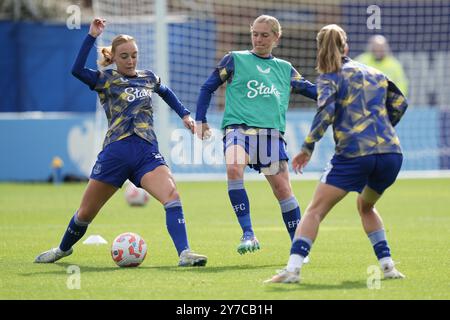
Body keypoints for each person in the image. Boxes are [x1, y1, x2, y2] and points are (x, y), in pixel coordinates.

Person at [34, 18, 207, 267]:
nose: (130, 60)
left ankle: (185, 253)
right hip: (116, 153)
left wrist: (185, 115)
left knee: (172, 195)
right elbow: (76, 70)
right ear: (114, 57)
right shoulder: (106, 79)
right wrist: (92, 36)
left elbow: (166, 91)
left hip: (147, 151)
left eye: (134, 55)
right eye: (124, 56)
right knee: (85, 213)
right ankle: (62, 249)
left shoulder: (149, 78)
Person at [265, 24, 408, 283]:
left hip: (354, 154)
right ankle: (388, 267)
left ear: (321, 48)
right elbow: (400, 103)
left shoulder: (330, 76)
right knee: (366, 206)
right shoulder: (376, 73)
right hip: (390, 153)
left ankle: (293, 270)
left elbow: (326, 113)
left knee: (314, 211)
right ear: (346, 47)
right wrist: (383, 130)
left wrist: (307, 147)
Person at [196, 15, 317, 255]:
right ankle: (248, 233)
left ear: (276, 37)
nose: (259, 39)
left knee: (283, 190)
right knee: (233, 167)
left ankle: (299, 248)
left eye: (265, 35)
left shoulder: (284, 69)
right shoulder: (234, 59)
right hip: (238, 129)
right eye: (255, 34)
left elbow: (312, 91)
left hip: (270, 136)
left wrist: (341, 96)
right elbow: (207, 87)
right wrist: (200, 120)